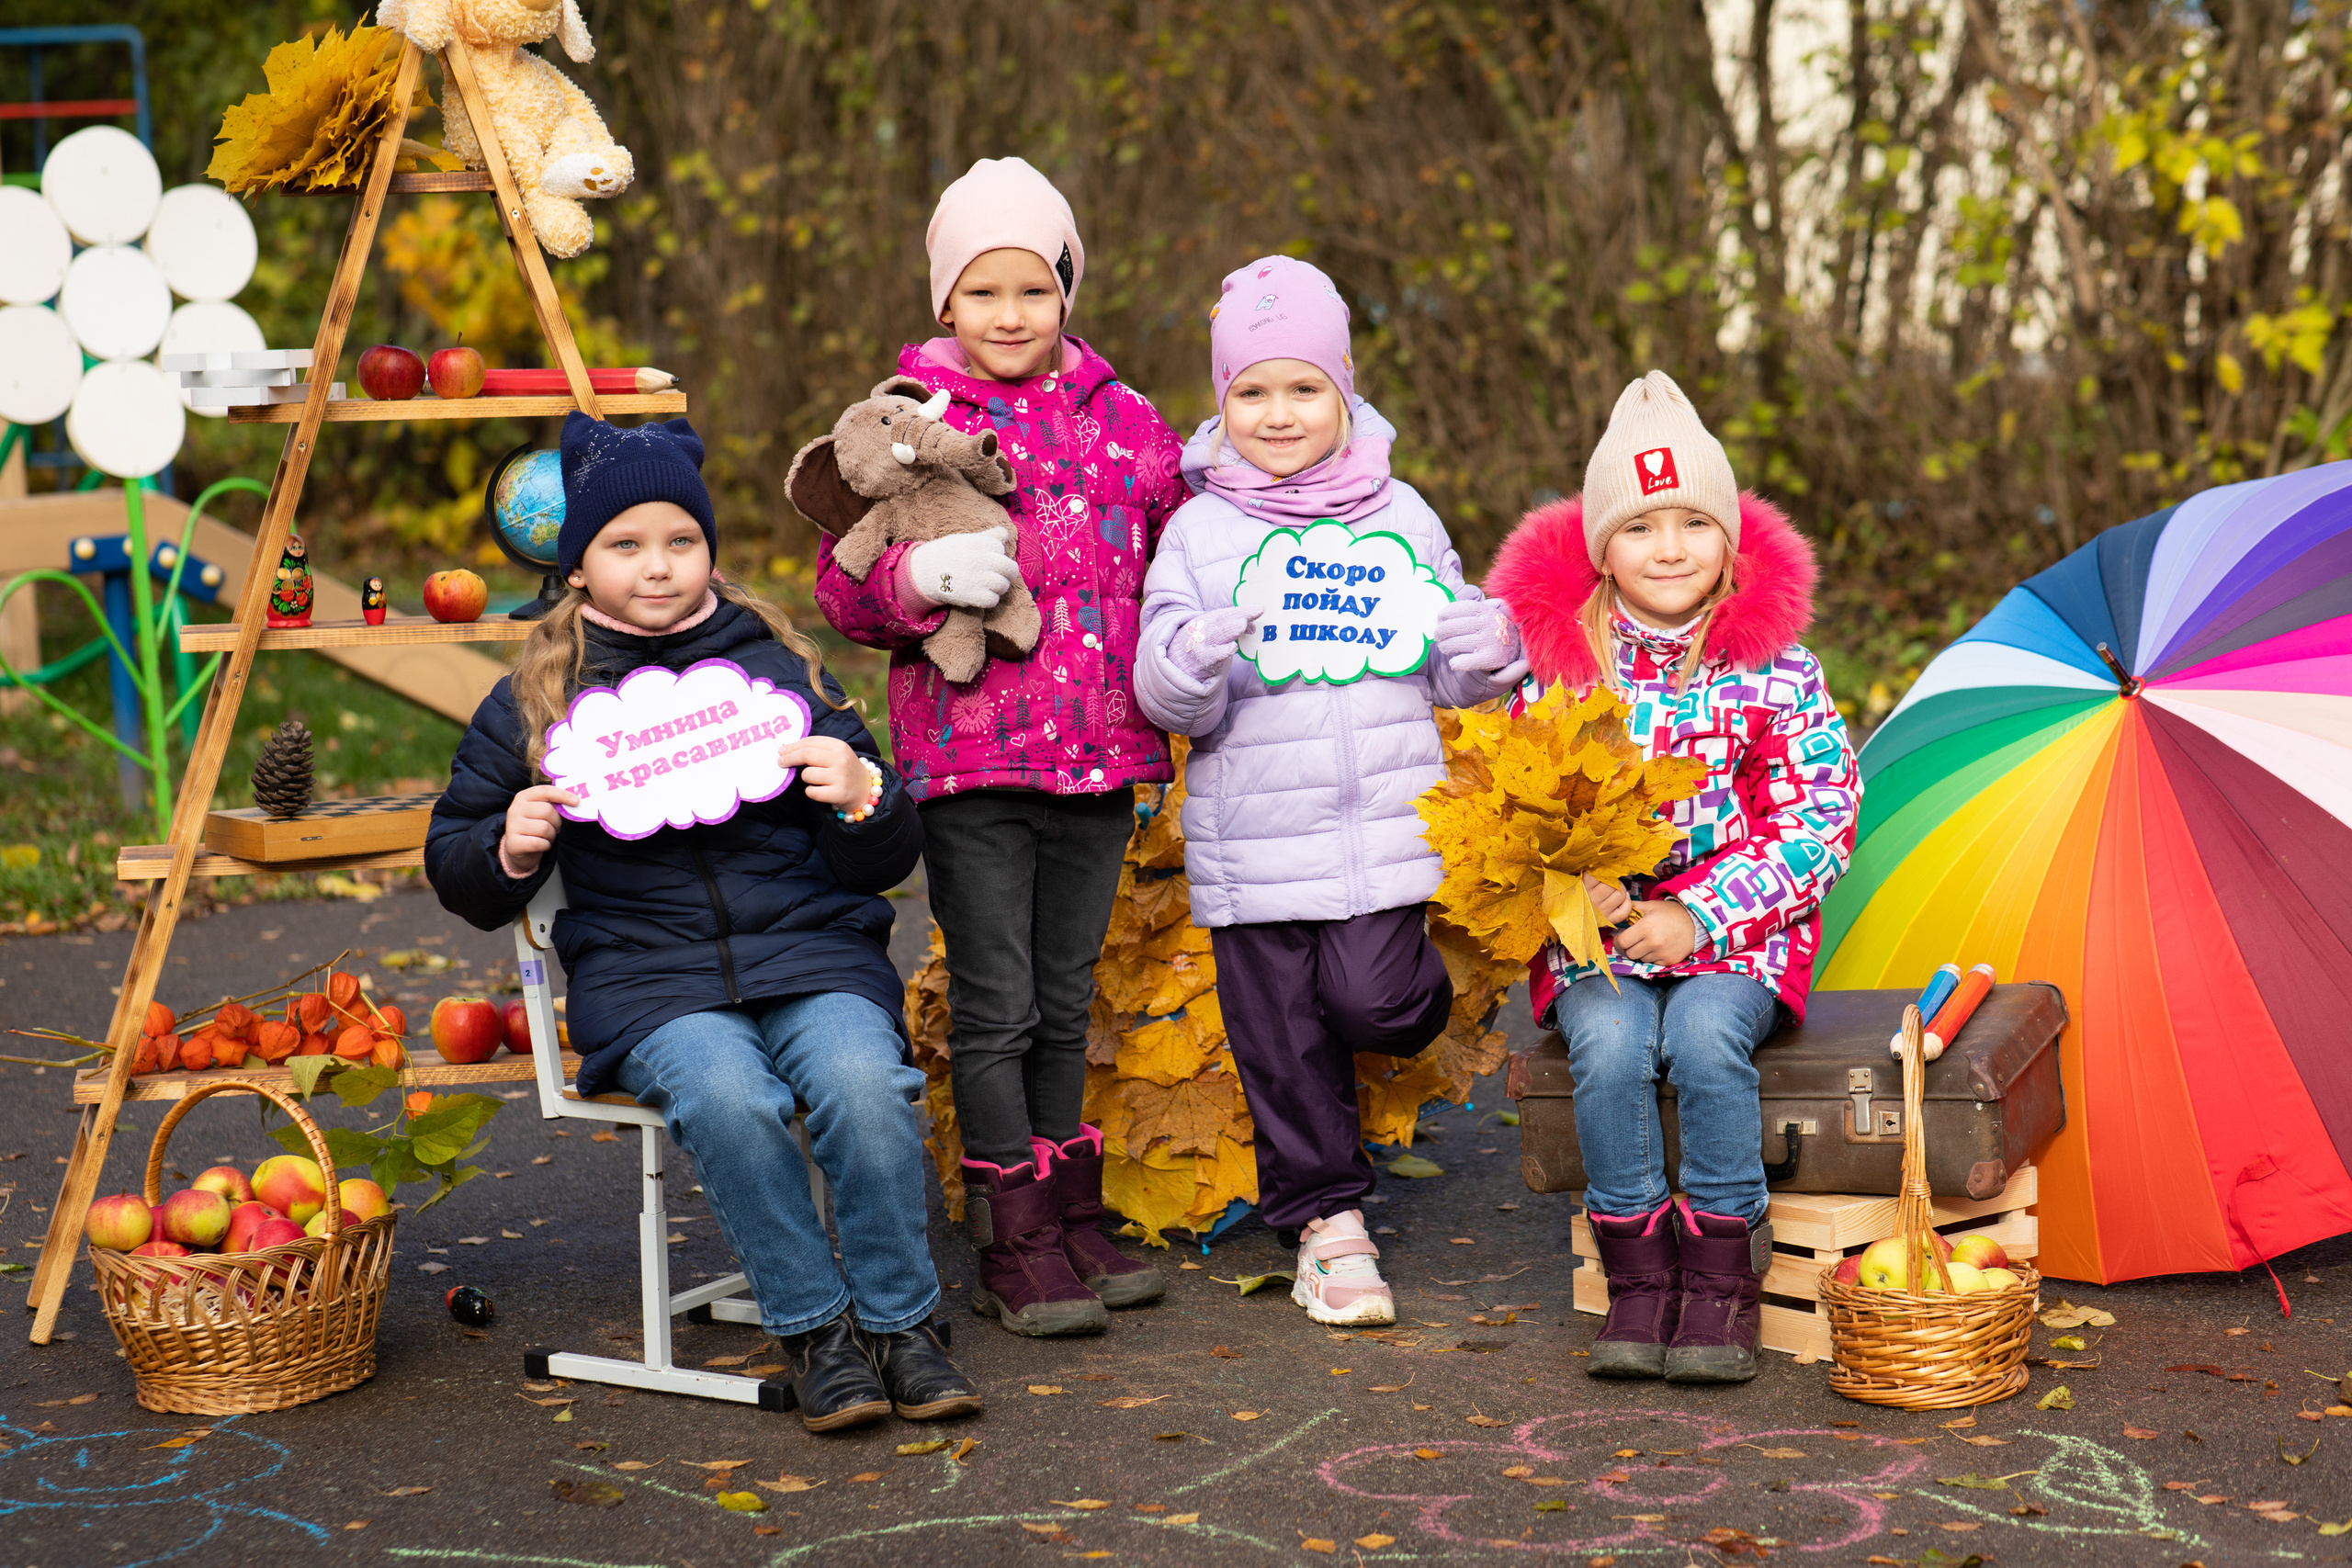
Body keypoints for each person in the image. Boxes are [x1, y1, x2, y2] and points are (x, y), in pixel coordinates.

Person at [427, 413, 978, 1432]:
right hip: (650, 980)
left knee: (864, 1087)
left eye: (681, 540)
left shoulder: (776, 670)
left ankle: (903, 1324)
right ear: (578, 566)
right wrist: (506, 844)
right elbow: (455, 862)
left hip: (812, 956)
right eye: (625, 545)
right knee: (729, 1099)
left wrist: (861, 793)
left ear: (710, 552)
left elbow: (882, 856)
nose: (658, 565)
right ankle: (818, 1333)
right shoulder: (534, 701)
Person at [812, 157, 1189, 1337]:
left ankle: (1069, 1213)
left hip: (1100, 753)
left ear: (1068, 290)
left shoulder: (1130, 422)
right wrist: (917, 578)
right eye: (983, 292)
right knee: (999, 1001)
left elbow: (1196, 537)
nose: (1010, 314)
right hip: (972, 758)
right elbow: (841, 584)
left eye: (1034, 289)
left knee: (1067, 998)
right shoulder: (907, 422)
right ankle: (1011, 1237)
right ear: (945, 301)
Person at [1133, 255, 1529, 1326]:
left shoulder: (1400, 512)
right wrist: (1191, 656)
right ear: (1221, 401)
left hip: (1382, 838)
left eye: (1303, 388)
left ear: (1344, 389)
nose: (1278, 414)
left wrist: (1489, 647)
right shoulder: (1199, 530)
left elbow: (1453, 671)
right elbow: (1164, 694)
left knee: (1376, 1005)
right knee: (1283, 1043)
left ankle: (1406, 1036)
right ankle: (1328, 1226)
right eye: (1251, 391)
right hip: (1253, 846)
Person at [1484, 370, 1861, 1383]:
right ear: (1599, 547)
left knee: (1700, 1038)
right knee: (1610, 1045)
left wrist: (1698, 915)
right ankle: (1639, 1278)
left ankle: (1724, 1277)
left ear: (1729, 542)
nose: (1669, 548)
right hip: (1598, 941)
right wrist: (1581, 889)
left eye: (1695, 523)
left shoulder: (1775, 670)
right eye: (1640, 526)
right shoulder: (1558, 670)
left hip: (1738, 938)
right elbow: (1516, 815)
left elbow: (1819, 817)